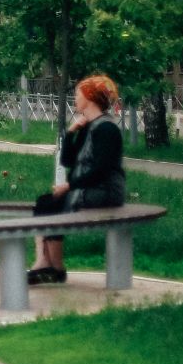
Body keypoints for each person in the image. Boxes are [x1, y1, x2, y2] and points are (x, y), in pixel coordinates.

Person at [29, 75, 128, 284]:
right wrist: (71, 132)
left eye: (78, 94)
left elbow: (102, 170)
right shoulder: (87, 127)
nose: (75, 98)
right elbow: (67, 160)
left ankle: (50, 265)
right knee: (45, 202)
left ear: (90, 98)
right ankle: (49, 263)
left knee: (50, 205)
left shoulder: (107, 129)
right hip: (88, 189)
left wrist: (69, 186)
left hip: (105, 191)